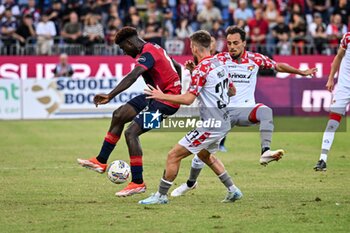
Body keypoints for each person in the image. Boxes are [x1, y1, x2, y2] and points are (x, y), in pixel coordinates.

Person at [171, 26, 317, 197]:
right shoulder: (219, 59)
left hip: (244, 110)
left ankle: (265, 152)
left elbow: (277, 66)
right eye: (229, 43)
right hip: (222, 113)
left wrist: (300, 72)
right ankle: (190, 183)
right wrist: (192, 69)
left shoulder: (255, 59)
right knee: (203, 154)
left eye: (236, 43)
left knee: (265, 111)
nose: (231, 47)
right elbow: (204, 76)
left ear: (244, 43)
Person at [139, 30, 242, 205]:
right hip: (224, 121)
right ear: (209, 45)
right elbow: (232, 91)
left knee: (173, 155)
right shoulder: (219, 63)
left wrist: (161, 95)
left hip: (211, 125)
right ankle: (233, 190)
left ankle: (161, 196)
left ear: (193, 48)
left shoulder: (202, 69)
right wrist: (197, 74)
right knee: (205, 155)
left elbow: (187, 99)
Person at [77, 26, 182, 197]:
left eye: (122, 48)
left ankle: (138, 182)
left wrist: (110, 95)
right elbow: (177, 66)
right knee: (119, 115)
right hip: (155, 96)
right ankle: (101, 161)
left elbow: (133, 76)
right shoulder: (155, 47)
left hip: (166, 104)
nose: (124, 52)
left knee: (131, 133)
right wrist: (177, 87)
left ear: (129, 42)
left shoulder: (147, 54)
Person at [314, 32, 350, 171]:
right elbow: (339, 57)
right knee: (332, 123)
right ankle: (322, 159)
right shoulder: (348, 37)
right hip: (344, 87)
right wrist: (330, 78)